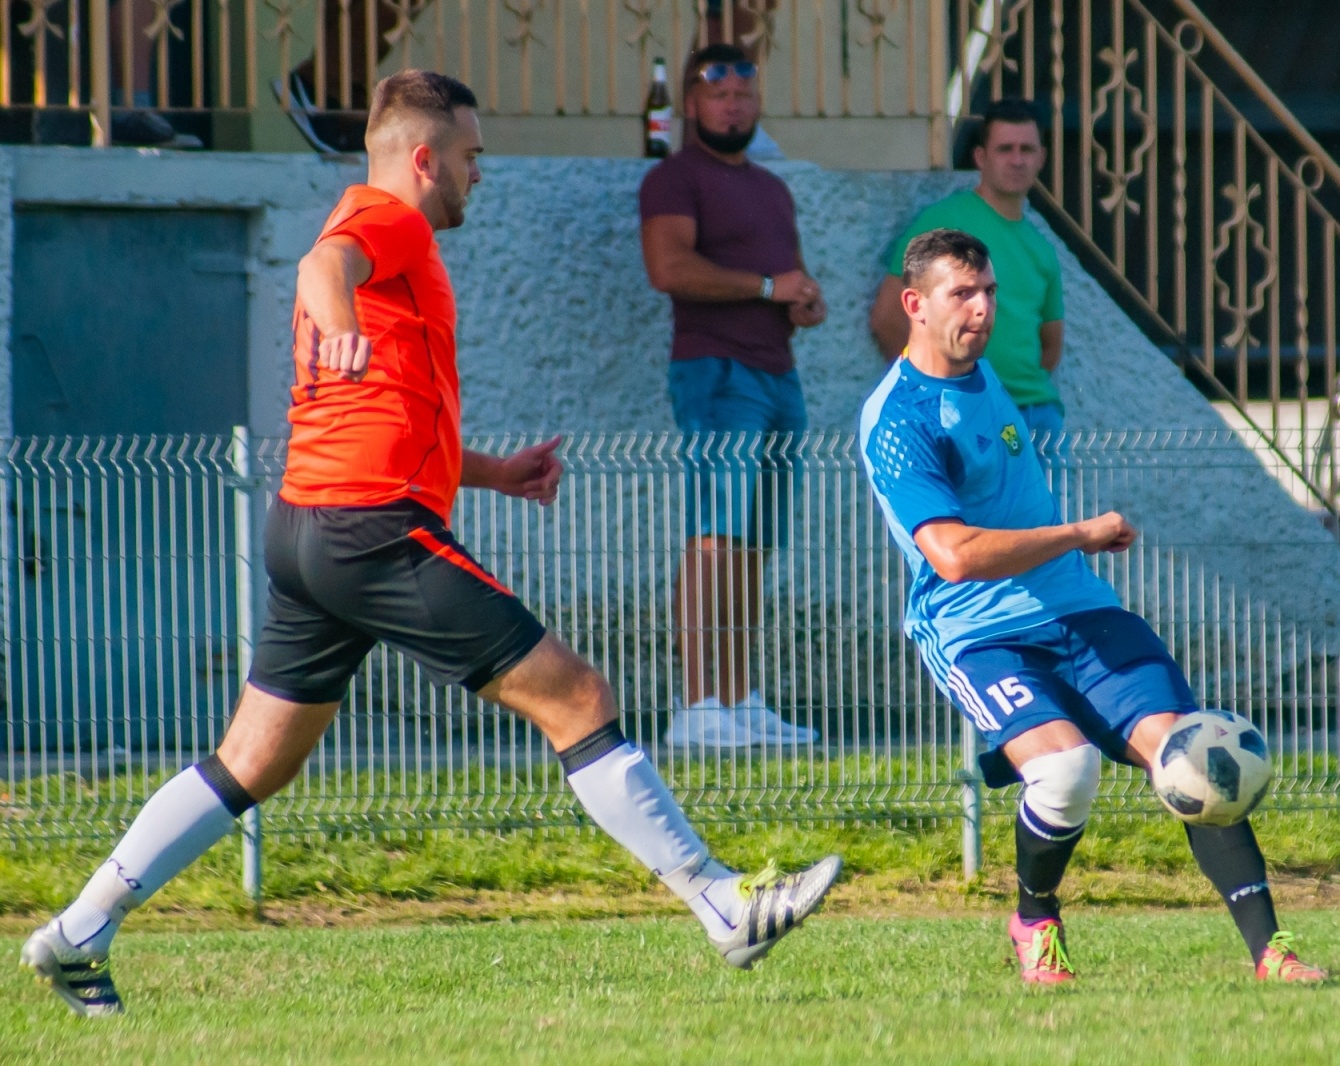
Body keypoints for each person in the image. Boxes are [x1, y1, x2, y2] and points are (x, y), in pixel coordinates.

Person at [21, 69, 841, 1018]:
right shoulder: (390, 220)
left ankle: (79, 932)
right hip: (368, 530)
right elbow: (322, 268)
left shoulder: (390, 234)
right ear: (425, 158)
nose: (478, 173)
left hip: (308, 527)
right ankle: (720, 901)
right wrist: (337, 325)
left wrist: (494, 472)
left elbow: (394, 420)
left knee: (254, 760)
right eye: (470, 155)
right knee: (576, 695)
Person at [860, 229, 1325, 985]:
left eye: (989, 293)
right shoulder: (899, 419)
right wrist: (1079, 532)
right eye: (962, 295)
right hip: (979, 632)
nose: (982, 310)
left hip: (1078, 610)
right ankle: (1035, 918)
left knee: (1197, 753)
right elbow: (952, 554)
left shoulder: (987, 375)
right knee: (1067, 771)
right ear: (914, 305)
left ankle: (1271, 952)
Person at [639, 43, 826, 749]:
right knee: (713, 537)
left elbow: (789, 276)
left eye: (744, 94)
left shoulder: (772, 189)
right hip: (716, 375)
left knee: (756, 545)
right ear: (690, 104)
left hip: (779, 373)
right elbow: (669, 267)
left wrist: (801, 300)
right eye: (718, 95)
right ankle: (695, 710)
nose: (733, 104)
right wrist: (768, 288)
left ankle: (740, 700)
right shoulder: (673, 179)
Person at [869, 97, 1065, 438]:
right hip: (963, 412)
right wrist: (929, 392)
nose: (1017, 160)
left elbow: (1050, 345)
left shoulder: (1042, 248)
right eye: (1005, 149)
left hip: (1036, 417)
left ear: (1041, 158)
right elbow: (887, 317)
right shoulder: (942, 223)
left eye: (1026, 149)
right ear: (980, 157)